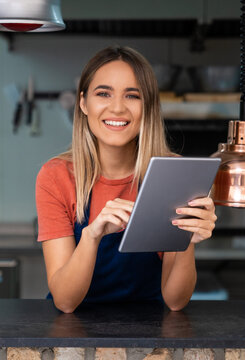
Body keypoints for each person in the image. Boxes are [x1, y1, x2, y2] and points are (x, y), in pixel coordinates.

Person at [35, 45, 217, 313]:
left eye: (132, 96)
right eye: (103, 93)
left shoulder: (172, 174)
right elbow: (65, 301)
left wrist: (187, 239)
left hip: (150, 336)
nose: (118, 108)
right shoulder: (56, 176)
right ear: (83, 103)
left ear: (148, 107)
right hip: (73, 336)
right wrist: (91, 237)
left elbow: (176, 301)